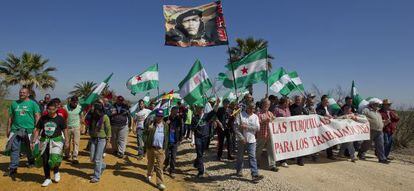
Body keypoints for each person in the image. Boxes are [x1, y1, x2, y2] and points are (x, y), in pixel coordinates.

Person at [4, 88, 41, 179]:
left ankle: (31, 161)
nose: (21, 94)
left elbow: (37, 116)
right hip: (15, 129)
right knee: (14, 148)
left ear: (28, 94)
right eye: (20, 92)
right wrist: (8, 128)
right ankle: (13, 168)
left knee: (30, 148)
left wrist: (36, 128)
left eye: (24, 92)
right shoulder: (14, 103)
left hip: (29, 130)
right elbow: (10, 117)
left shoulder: (33, 104)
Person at [32, 101, 68, 187]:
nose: (51, 111)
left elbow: (65, 130)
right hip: (44, 141)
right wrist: (34, 141)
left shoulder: (60, 119)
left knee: (54, 159)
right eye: (49, 109)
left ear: (56, 109)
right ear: (47, 109)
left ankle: (56, 171)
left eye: (53, 109)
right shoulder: (43, 118)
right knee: (45, 159)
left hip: (57, 141)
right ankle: (47, 178)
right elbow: (37, 130)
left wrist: (66, 141)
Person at [234, 103, 264, 182]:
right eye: (250, 108)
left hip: (252, 140)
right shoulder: (240, 115)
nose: (251, 110)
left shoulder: (255, 117)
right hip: (241, 140)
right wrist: (241, 138)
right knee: (240, 157)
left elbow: (257, 128)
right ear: (247, 108)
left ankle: (254, 174)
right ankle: (239, 170)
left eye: (253, 108)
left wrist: (247, 127)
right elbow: (236, 128)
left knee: (252, 157)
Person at [191, 98, 220, 178]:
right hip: (198, 138)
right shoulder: (194, 118)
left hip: (205, 138)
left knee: (201, 153)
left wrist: (217, 104)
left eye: (200, 108)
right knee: (199, 154)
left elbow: (214, 111)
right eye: (197, 108)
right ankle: (201, 171)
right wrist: (192, 140)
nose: (199, 110)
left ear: (203, 109)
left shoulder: (207, 116)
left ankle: (196, 163)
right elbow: (192, 130)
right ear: (196, 109)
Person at [145, 109, 169, 190]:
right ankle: (149, 174)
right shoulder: (151, 124)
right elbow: (144, 134)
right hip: (151, 148)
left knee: (159, 166)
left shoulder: (166, 125)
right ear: (156, 116)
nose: (159, 118)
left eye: (161, 116)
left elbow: (166, 137)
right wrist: (149, 129)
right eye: (158, 116)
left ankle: (160, 183)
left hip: (160, 149)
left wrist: (165, 147)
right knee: (150, 163)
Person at [88, 103, 112, 183]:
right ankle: (103, 166)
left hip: (101, 140)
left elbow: (108, 129)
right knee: (92, 158)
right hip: (93, 139)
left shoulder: (105, 117)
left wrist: (108, 141)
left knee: (98, 159)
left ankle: (96, 176)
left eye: (94, 108)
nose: (93, 110)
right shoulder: (92, 116)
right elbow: (88, 124)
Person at [256, 98, 278, 171]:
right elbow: (257, 123)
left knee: (271, 150)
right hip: (261, 135)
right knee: (258, 150)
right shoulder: (258, 113)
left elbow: (274, 123)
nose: (267, 105)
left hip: (270, 135)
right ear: (262, 104)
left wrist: (275, 119)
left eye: (268, 104)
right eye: (265, 104)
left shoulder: (270, 113)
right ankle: (256, 162)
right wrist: (264, 121)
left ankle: (272, 165)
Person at [163, 106, 183, 178]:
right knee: (167, 156)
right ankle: (166, 164)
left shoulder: (179, 119)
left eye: (177, 113)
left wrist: (180, 138)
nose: (176, 114)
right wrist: (166, 124)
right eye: (174, 112)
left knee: (173, 157)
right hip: (167, 141)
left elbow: (181, 129)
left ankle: (172, 171)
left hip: (175, 141)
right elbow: (161, 128)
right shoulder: (166, 119)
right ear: (171, 112)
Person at [64, 96, 83, 164]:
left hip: (76, 127)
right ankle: (67, 154)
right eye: (74, 101)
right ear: (71, 101)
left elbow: (81, 117)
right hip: (67, 128)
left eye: (76, 101)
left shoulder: (80, 107)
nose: (75, 103)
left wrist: (81, 126)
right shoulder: (65, 107)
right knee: (67, 142)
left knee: (76, 142)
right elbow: (63, 116)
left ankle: (74, 156)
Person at [316, 95, 336, 160]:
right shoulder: (318, 108)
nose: (326, 101)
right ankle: (316, 154)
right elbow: (318, 115)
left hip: (329, 127)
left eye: (327, 100)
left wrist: (333, 116)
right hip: (321, 127)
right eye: (325, 100)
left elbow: (332, 115)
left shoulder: (330, 108)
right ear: (322, 101)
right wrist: (325, 115)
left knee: (330, 139)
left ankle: (330, 154)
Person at [289, 95, 307, 166]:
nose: (298, 101)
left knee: (300, 144)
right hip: (292, 129)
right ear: (295, 100)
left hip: (301, 129)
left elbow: (307, 115)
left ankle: (300, 160)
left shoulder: (302, 107)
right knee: (294, 143)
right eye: (297, 99)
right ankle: (292, 156)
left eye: (299, 100)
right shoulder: (290, 107)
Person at [273, 97, 291, 167]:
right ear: (284, 102)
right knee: (280, 145)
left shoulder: (287, 109)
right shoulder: (277, 109)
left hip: (287, 131)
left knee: (285, 145)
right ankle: (280, 160)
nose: (289, 103)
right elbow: (273, 118)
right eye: (287, 102)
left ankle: (283, 160)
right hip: (279, 131)